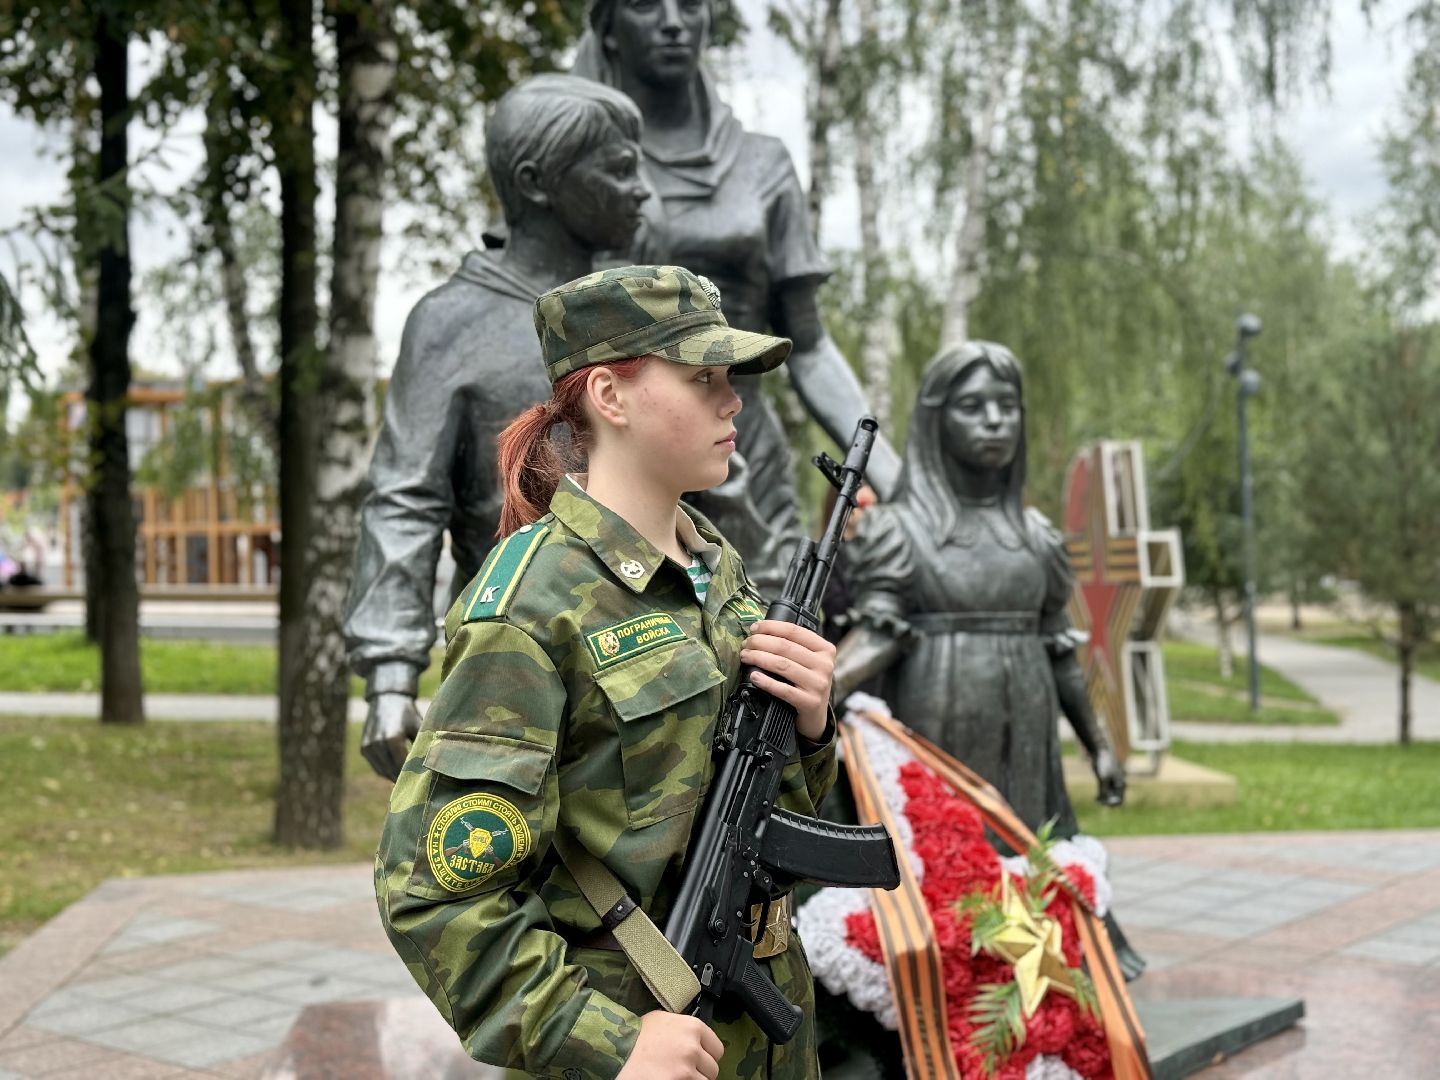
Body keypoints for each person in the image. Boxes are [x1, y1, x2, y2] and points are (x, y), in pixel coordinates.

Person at [375, 264, 841, 1080]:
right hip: (642, 1042)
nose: (731, 402)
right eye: (702, 378)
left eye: (728, 380)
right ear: (609, 396)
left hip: (767, 1036)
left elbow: (761, 808)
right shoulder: (530, 603)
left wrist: (811, 729)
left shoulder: (717, 569)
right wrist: (603, 1041)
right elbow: (434, 891)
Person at [343, 75, 650, 780]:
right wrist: (391, 672)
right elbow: (404, 497)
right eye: (618, 167)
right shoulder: (451, 324)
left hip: (660, 658)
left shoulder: (643, 312)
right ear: (537, 181)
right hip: (510, 668)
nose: (643, 191)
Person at [571, 0, 900, 593]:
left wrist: (898, 477)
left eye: (691, 5)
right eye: (646, 6)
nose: (673, 22)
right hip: (611, 446)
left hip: (740, 440)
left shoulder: (763, 164)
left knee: (769, 642)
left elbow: (812, 344)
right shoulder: (580, 166)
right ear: (608, 29)